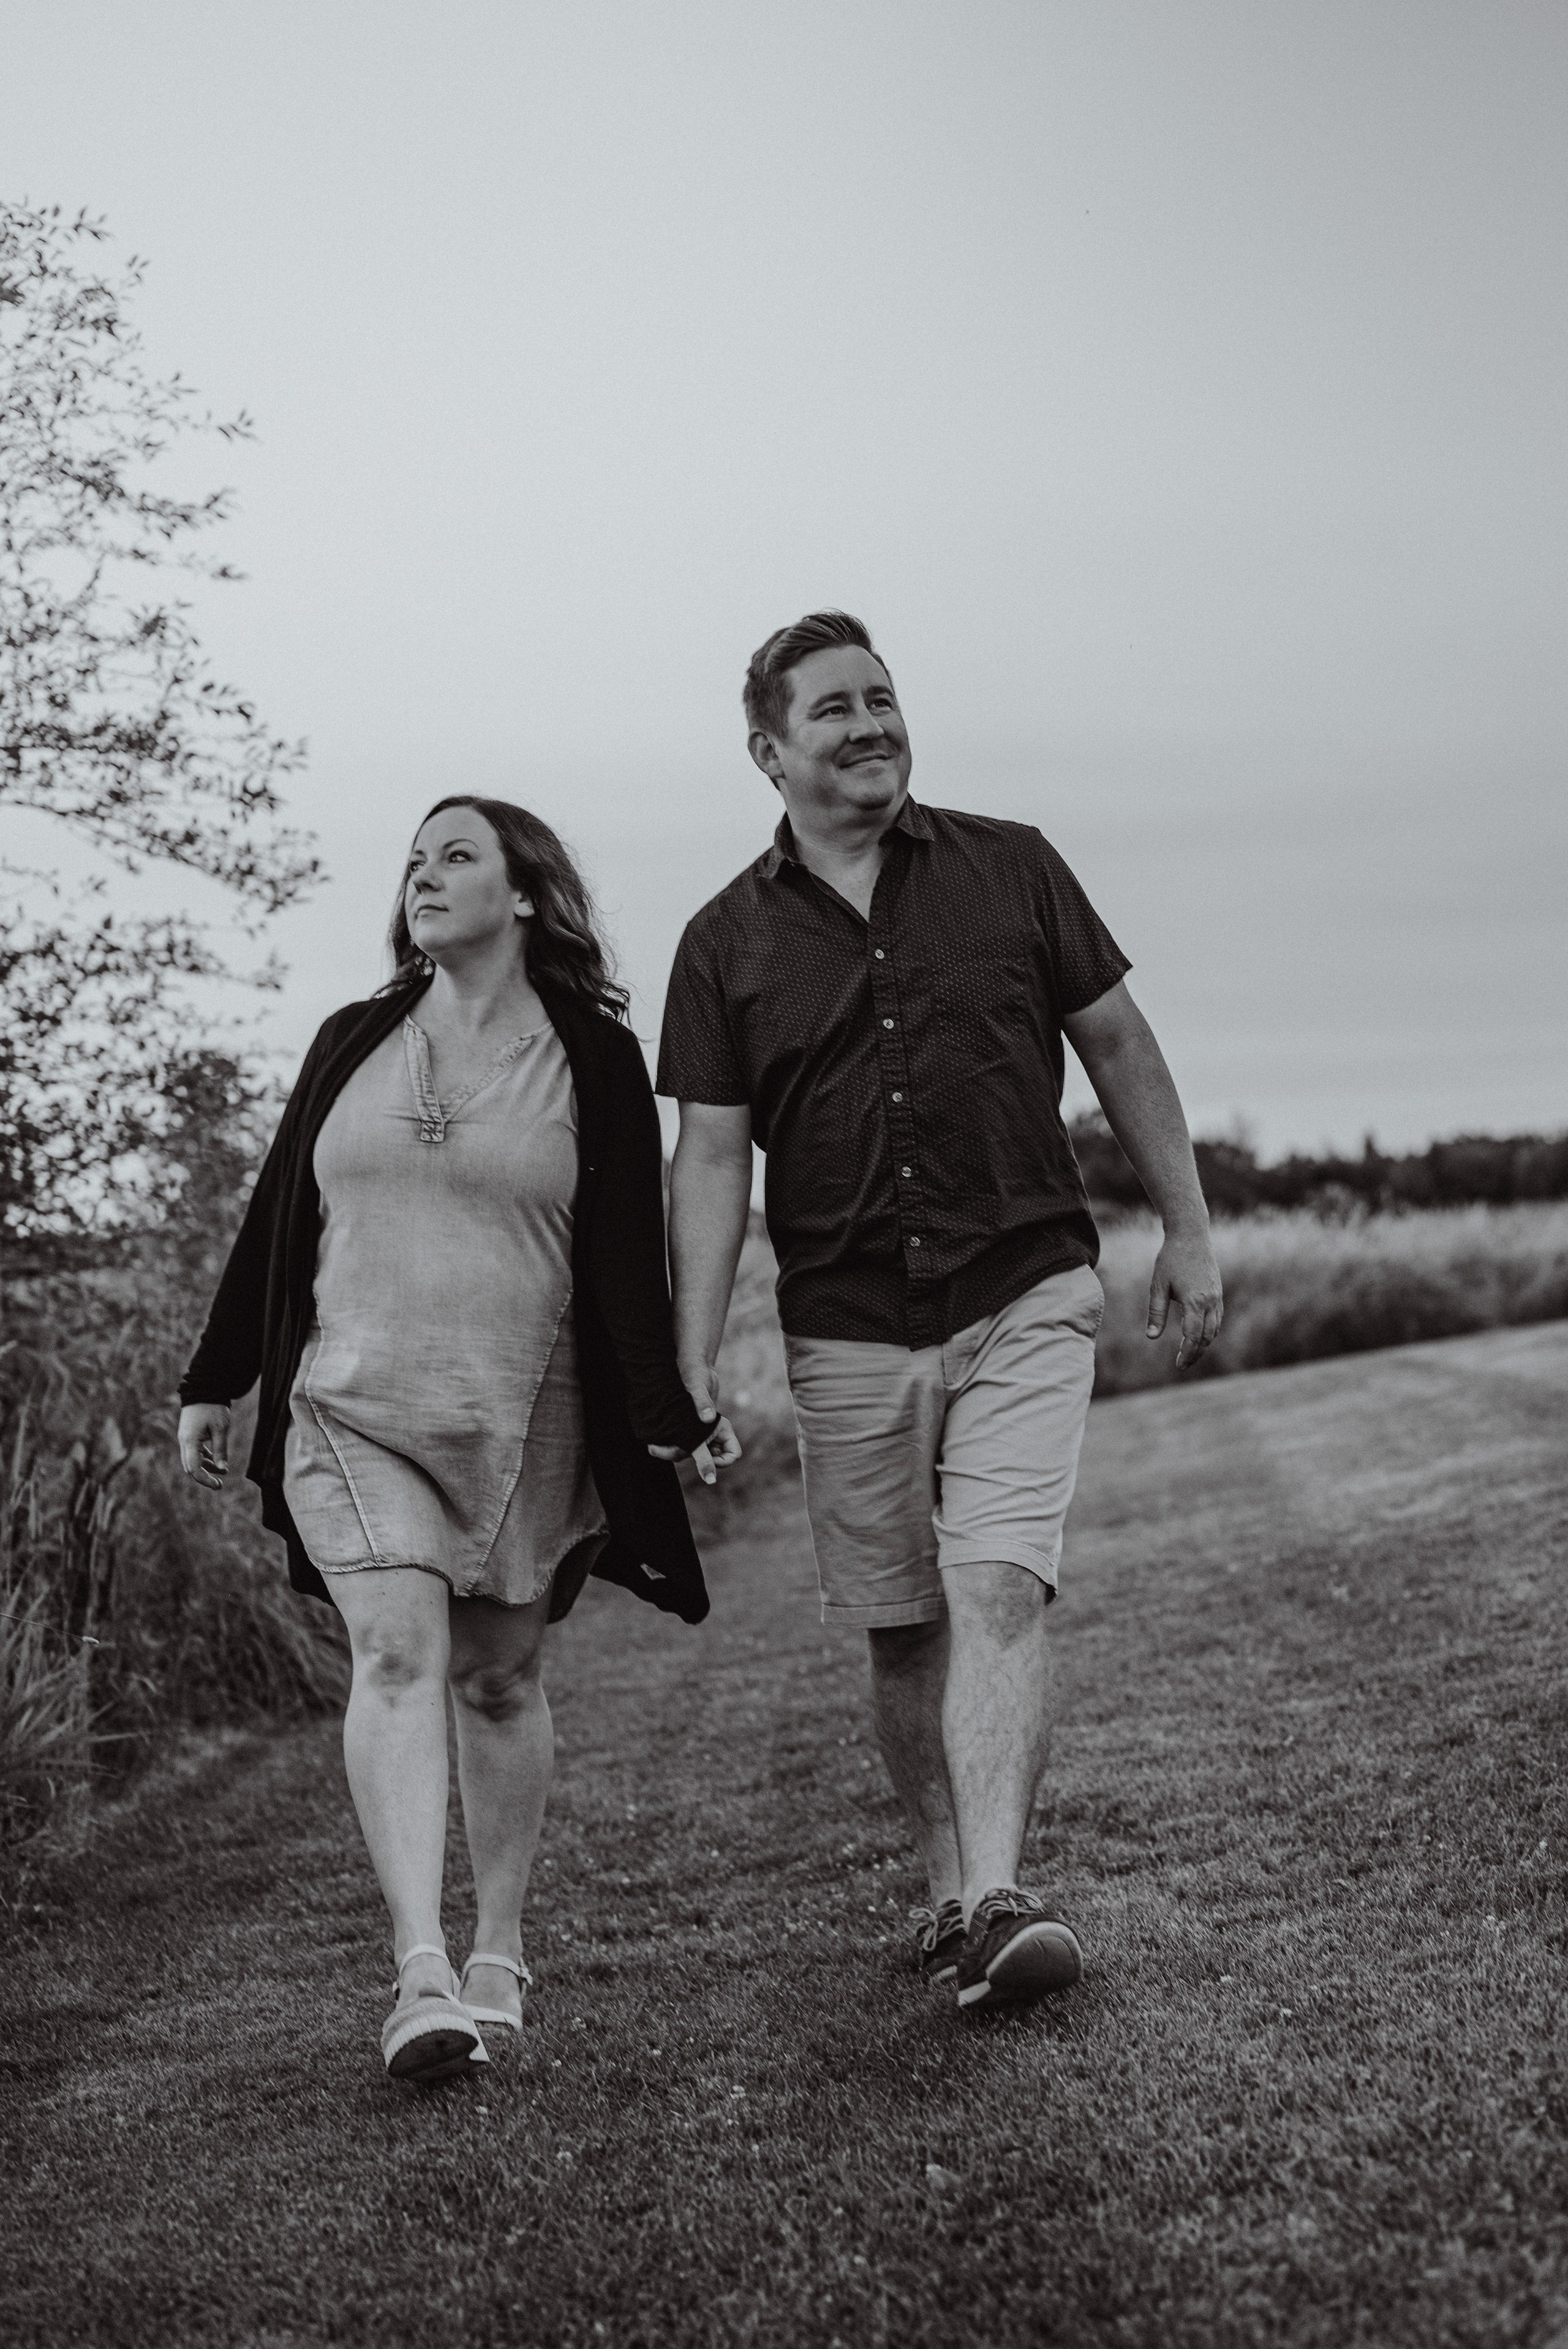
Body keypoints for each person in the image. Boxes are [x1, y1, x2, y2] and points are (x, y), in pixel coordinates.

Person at [657, 612, 1221, 2012]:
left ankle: (997, 1892)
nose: (867, 725)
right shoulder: (722, 940)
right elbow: (712, 1157)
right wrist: (688, 1351)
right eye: (831, 710)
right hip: (844, 1326)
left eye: (881, 698)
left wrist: (1187, 1227)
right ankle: (943, 1883)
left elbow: (1118, 1046)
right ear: (768, 752)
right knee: (904, 1627)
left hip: (1022, 1281)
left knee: (994, 1586)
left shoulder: (1011, 867)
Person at [178, 795, 739, 2083]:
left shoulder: (592, 1058)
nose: (423, 874)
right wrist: (218, 1376)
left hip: (521, 1413)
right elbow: (279, 1220)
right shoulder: (352, 1039)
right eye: (414, 860)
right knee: (393, 1651)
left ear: (527, 894)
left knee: (496, 1677)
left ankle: (497, 1945)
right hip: (350, 1403)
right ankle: (418, 1970)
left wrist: (666, 1413)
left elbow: (620, 1260)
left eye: (456, 855)